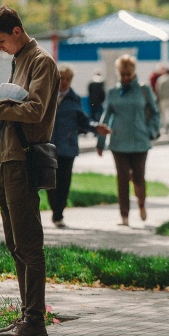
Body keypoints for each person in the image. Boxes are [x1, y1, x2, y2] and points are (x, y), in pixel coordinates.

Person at [0, 5, 59, 336]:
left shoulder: (41, 61)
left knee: (28, 242)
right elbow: (19, 104)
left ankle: (35, 321)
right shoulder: (19, 59)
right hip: (6, 158)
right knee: (15, 243)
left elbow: (36, 110)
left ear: (17, 32)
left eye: (0, 41)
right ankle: (27, 315)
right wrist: (0, 98)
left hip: (23, 159)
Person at [97, 54, 160, 226]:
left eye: (128, 74)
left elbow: (155, 113)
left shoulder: (144, 90)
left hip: (140, 141)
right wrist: (100, 142)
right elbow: (106, 116)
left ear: (134, 72)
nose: (125, 78)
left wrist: (151, 131)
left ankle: (141, 204)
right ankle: (124, 216)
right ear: (118, 73)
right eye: (122, 74)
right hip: (118, 142)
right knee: (122, 179)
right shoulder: (113, 92)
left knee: (139, 178)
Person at [48, 64, 110, 228]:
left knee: (64, 182)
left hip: (68, 147)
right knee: (50, 182)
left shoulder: (74, 99)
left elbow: (83, 120)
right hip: (48, 146)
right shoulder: (47, 96)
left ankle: (58, 214)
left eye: (68, 79)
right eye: (62, 79)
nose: (65, 82)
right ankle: (55, 209)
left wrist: (96, 127)